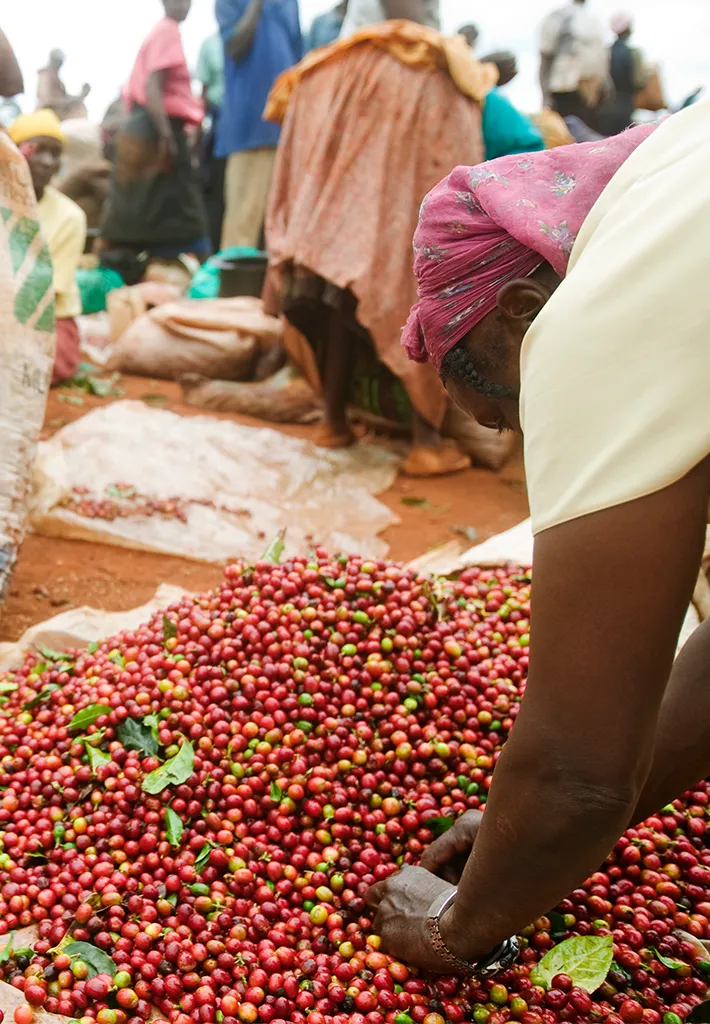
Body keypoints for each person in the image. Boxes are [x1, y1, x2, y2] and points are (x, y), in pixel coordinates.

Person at [368, 102, 710, 975]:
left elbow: (573, 772)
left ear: (526, 312)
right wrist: (518, 838)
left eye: (512, 412)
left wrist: (452, 931)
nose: (525, 442)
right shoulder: (676, 188)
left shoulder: (594, 316)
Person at [263, 5, 505, 475]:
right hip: (400, 76)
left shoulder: (334, 68)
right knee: (412, 266)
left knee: (345, 275)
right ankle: (425, 441)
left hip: (347, 78)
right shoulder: (419, 63)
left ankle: (333, 420)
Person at [101, 0, 209, 263]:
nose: (185, 6)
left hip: (145, 127)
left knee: (137, 207)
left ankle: (127, 265)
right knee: (182, 204)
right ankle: (210, 272)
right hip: (155, 128)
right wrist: (166, 136)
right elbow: (152, 87)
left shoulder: (162, 31)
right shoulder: (167, 30)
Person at [216, 0, 302, 251]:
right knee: (243, 224)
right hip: (248, 128)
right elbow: (234, 46)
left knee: (287, 224)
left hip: (286, 127)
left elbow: (298, 57)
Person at [8, 111, 87, 385]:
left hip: (44, 320)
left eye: (55, 154)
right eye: (37, 150)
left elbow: (46, 293)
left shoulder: (70, 216)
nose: (47, 161)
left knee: (38, 364)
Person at [539, 0, 607, 129]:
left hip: (565, 85)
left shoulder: (557, 16)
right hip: (586, 89)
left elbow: (546, 54)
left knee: (565, 131)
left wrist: (545, 95)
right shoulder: (594, 21)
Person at [196, 32, 226, 252]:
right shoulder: (210, 45)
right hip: (218, 123)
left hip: (252, 123)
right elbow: (204, 95)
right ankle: (213, 252)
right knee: (215, 190)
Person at [600, 13, 647, 135]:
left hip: (606, 107)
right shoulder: (634, 53)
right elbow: (639, 81)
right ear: (628, 29)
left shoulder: (605, 52)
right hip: (626, 105)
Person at [36, 49, 91, 120]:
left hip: (57, 115)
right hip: (47, 116)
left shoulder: (56, 78)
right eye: (58, 61)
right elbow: (47, 100)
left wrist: (81, 96)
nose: (60, 64)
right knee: (77, 107)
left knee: (79, 106)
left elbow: (64, 97)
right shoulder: (45, 75)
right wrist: (74, 99)